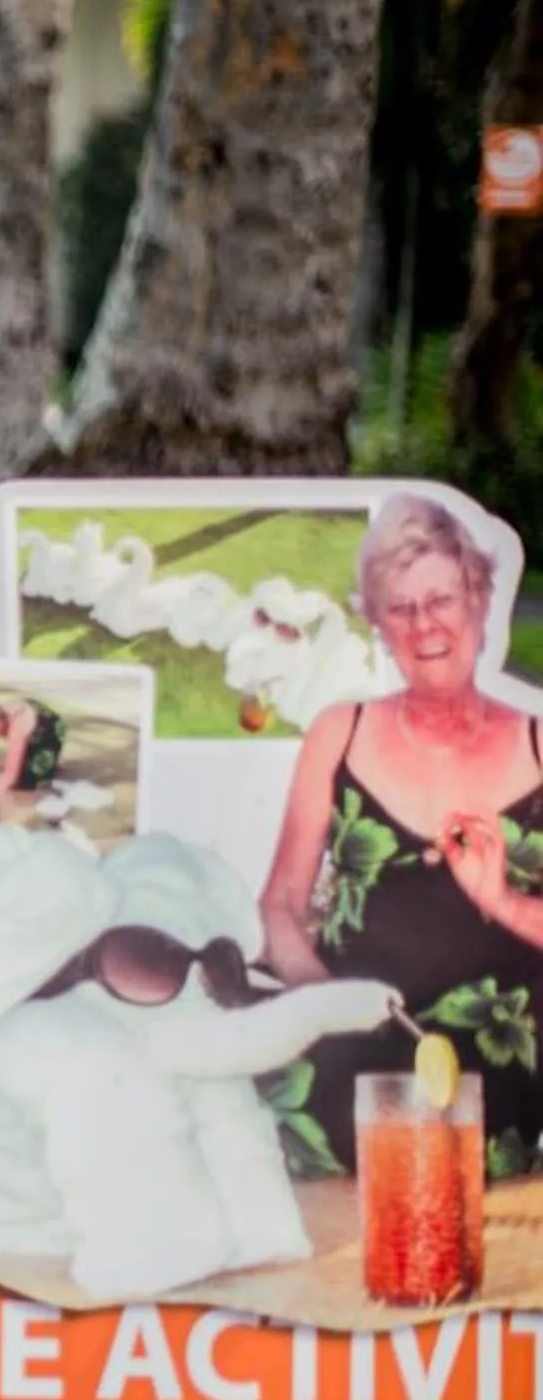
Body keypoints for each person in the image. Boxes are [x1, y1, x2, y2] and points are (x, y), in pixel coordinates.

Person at [261, 492, 543, 1168]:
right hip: (348, 1046)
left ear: (478, 601)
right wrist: (321, 998)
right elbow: (279, 905)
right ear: (380, 628)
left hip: (491, 1071)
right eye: (401, 608)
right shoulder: (340, 731)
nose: (425, 626)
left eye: (442, 599)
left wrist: (500, 899)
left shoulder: (538, 745)